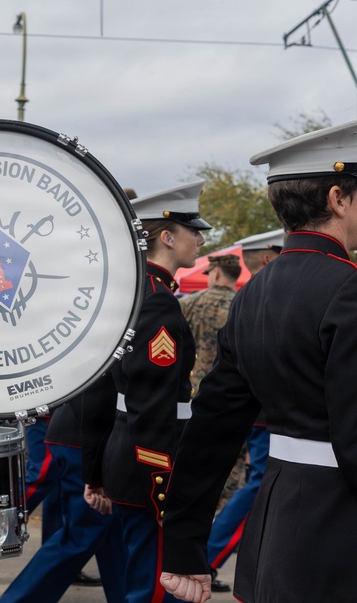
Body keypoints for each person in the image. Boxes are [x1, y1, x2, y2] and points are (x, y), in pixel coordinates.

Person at [159, 125, 356, 602]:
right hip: (339, 535)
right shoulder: (348, 289)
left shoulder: (253, 294)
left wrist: (184, 547)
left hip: (276, 530)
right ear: (337, 199)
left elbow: (212, 428)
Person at [81, 180, 209, 603]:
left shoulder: (131, 293)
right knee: (154, 589)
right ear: (167, 237)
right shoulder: (157, 301)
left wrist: (95, 471)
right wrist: (162, 487)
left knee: (142, 584)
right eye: (194, 230)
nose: (201, 240)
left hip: (126, 455)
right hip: (150, 464)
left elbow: (100, 392)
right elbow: (151, 405)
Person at [198, 230, 283, 595]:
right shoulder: (270, 295)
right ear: (267, 258)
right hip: (266, 409)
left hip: (237, 405)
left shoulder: (248, 296)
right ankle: (206, 556)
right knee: (258, 485)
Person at [0, 395, 125, 603]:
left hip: (86, 432)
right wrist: (95, 473)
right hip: (87, 435)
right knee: (83, 532)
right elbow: (98, 396)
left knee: (112, 533)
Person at [180, 254, 240, 396]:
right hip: (230, 390)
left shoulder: (189, 303)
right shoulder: (244, 305)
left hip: (192, 387)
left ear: (216, 273)